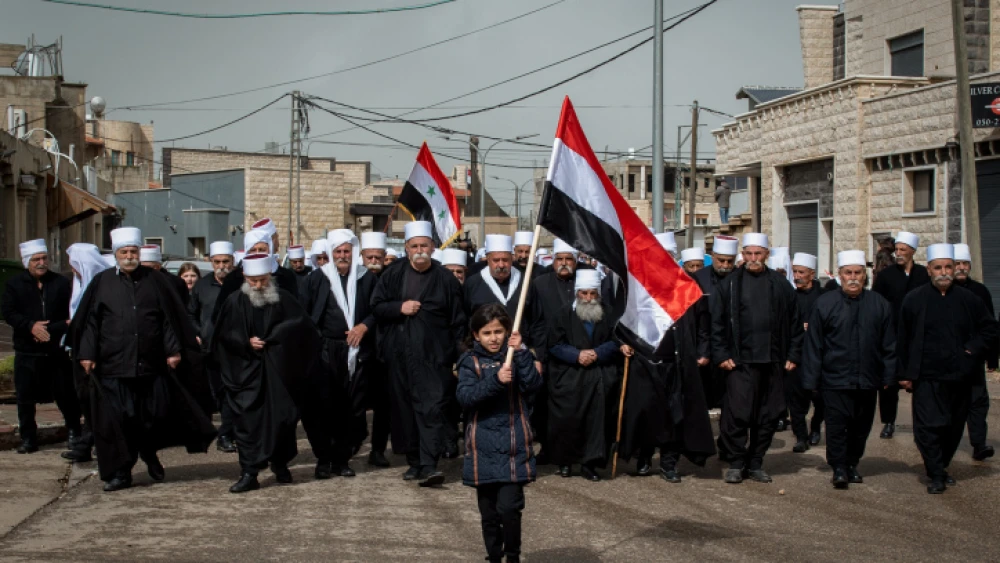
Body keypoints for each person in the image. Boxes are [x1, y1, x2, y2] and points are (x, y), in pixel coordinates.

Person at [76, 227, 216, 492]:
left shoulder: (155, 281)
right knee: (118, 420)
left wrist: (173, 350)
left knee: (150, 418)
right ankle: (121, 472)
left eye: (133, 251)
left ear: (139, 252)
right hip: (113, 366)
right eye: (124, 252)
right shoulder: (102, 282)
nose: (129, 256)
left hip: (150, 366)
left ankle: (149, 452)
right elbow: (91, 322)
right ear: (116, 254)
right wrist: (87, 353)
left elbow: (167, 319)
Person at [212, 254, 324, 493]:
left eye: (263, 280)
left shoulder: (284, 299)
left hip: (280, 374)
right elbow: (222, 337)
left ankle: (280, 464)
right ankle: (249, 473)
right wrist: (245, 342)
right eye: (253, 281)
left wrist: (277, 340)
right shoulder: (234, 302)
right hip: (246, 376)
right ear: (245, 277)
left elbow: (304, 330)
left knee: (283, 420)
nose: (259, 286)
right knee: (247, 425)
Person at [371, 221, 467, 486]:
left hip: (434, 359)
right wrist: (399, 307)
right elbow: (377, 307)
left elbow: (459, 322)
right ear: (406, 248)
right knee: (405, 412)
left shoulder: (446, 279)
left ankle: (429, 464)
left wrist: (459, 357)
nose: (420, 250)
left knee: (432, 409)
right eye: (414, 246)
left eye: (424, 245)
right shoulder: (392, 274)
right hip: (399, 358)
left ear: (433, 248)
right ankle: (414, 462)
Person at [897, 243, 998, 494]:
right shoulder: (914, 300)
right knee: (927, 427)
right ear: (929, 270)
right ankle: (935, 473)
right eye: (938, 267)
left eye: (948, 267)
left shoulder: (970, 299)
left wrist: (971, 350)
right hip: (926, 377)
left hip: (960, 376)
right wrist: (903, 374)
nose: (944, 272)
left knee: (953, 427)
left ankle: (940, 466)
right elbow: (902, 339)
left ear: (955, 269)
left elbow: (990, 330)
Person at [619, 235, 714, 482]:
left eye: (668, 256)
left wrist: (703, 351)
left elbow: (704, 323)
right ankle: (644, 457)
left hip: (677, 361)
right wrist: (623, 344)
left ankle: (669, 463)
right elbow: (621, 320)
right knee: (646, 413)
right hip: (645, 361)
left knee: (675, 415)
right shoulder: (638, 285)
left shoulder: (688, 286)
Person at [711, 233, 803, 484]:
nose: (753, 259)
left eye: (758, 254)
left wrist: (793, 354)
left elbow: (795, 324)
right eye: (748, 254)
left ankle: (756, 462)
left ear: (767, 255)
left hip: (773, 362)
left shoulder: (781, 285)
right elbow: (716, 323)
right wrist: (721, 354)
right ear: (743, 255)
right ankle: (737, 462)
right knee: (737, 415)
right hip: (739, 363)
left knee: (769, 415)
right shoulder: (728, 285)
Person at [802, 250, 896, 489]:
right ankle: (839, 467)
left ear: (865, 276)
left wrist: (888, 375)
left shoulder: (879, 304)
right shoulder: (824, 304)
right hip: (834, 379)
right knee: (836, 425)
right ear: (840, 275)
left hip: (867, 379)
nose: (853, 277)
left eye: (857, 273)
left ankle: (852, 463)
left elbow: (889, 344)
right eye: (848, 273)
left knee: (861, 426)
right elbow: (814, 345)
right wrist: (811, 379)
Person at [457, 304, 541, 563]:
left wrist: (524, 352)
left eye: (498, 332)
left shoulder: (516, 356)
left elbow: (533, 385)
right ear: (476, 335)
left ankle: (512, 556)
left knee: (509, 509)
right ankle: (494, 556)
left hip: (513, 443)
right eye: (487, 333)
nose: (493, 338)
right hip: (482, 446)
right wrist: (494, 381)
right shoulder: (470, 362)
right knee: (489, 514)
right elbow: (466, 397)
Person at [301, 230, 378, 475]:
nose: (343, 256)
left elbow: (378, 309)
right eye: (338, 252)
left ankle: (342, 460)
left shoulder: (366, 279)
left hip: (357, 351)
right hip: (325, 351)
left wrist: (364, 326)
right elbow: (304, 316)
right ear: (330, 254)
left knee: (352, 409)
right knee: (324, 407)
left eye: (347, 251)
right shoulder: (316, 279)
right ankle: (324, 460)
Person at [2, 239, 81, 454]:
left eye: (44, 258)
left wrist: (50, 330)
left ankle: (74, 432)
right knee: (25, 398)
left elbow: (69, 315)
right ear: (27, 261)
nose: (41, 263)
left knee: (65, 394)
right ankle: (28, 438)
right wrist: (30, 327)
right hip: (27, 350)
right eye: (36, 259)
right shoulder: (15, 284)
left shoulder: (60, 283)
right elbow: (8, 312)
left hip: (55, 350)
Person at [546, 270, 620, 481]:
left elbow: (617, 341)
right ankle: (566, 462)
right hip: (571, 374)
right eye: (584, 293)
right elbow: (554, 344)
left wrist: (597, 353)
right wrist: (576, 355)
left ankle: (591, 464)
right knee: (568, 418)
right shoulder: (562, 314)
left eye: (592, 294)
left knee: (597, 421)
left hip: (599, 374)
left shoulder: (610, 313)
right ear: (577, 293)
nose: (588, 299)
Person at [872, 231, 930, 439]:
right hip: (892, 336)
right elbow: (876, 304)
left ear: (912, 251)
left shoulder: (924, 275)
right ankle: (888, 421)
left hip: (917, 338)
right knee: (889, 384)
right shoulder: (886, 276)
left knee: (920, 383)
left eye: (903, 250)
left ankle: (921, 423)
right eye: (897, 249)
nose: (898, 253)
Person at [62, 243, 114, 463]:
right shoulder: (78, 283)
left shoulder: (101, 285)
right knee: (85, 400)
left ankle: (88, 444)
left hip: (95, 353)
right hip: (79, 351)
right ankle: (88, 442)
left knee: (96, 401)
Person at [187, 241, 237, 453]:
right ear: (211, 262)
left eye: (226, 261)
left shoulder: (239, 283)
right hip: (209, 350)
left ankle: (226, 434)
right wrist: (198, 333)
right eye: (217, 262)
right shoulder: (202, 285)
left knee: (230, 392)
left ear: (232, 262)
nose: (221, 266)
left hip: (234, 349)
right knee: (215, 393)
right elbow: (190, 314)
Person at [952, 243, 997, 461]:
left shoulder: (980, 291)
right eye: (957, 264)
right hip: (949, 360)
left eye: (964, 264)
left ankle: (979, 444)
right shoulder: (941, 292)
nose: (961, 268)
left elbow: (990, 327)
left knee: (978, 402)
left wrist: (992, 356)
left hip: (974, 357)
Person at [212, 218, 300, 323]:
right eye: (253, 250)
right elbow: (221, 316)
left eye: (262, 250)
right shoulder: (233, 279)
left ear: (270, 249)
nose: (258, 254)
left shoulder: (287, 277)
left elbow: (295, 316)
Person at [786, 252, 826, 452]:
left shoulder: (823, 297)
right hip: (796, 356)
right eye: (794, 271)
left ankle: (816, 427)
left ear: (811, 274)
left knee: (820, 398)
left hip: (818, 356)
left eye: (801, 272)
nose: (797, 276)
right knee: (796, 399)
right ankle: (800, 436)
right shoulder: (790, 296)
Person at [693, 235, 739, 410]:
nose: (725, 266)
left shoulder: (739, 278)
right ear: (712, 256)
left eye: (730, 261)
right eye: (721, 261)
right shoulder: (699, 278)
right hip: (705, 344)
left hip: (730, 346)